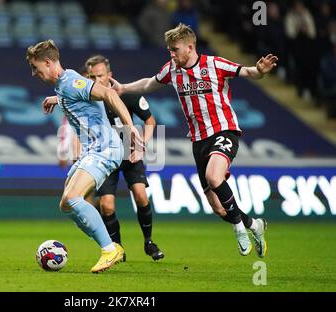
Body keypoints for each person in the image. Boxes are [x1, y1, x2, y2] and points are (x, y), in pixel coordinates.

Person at [111, 23, 277, 258]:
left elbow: (249, 72)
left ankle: (239, 228)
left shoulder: (214, 64)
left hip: (224, 131)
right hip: (198, 141)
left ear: (190, 47)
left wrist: (260, 69)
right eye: (169, 49)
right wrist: (123, 88)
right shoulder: (172, 69)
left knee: (213, 176)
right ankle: (254, 225)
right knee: (218, 208)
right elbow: (150, 83)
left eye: (175, 49)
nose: (172, 54)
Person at [27, 39, 143, 273]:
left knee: (73, 198)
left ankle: (110, 248)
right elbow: (75, 97)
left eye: (36, 68)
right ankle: (109, 244)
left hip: (105, 148)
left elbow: (108, 94)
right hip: (93, 150)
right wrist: (56, 100)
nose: (33, 73)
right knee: (66, 205)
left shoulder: (71, 81)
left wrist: (129, 126)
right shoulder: (63, 85)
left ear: (48, 63)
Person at [85, 55, 164, 261]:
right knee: (107, 206)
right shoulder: (89, 99)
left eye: (100, 76)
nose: (96, 81)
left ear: (110, 75)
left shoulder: (125, 94)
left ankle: (149, 242)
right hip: (105, 156)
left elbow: (150, 120)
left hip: (130, 155)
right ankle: (117, 248)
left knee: (141, 195)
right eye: (91, 76)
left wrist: (142, 144)